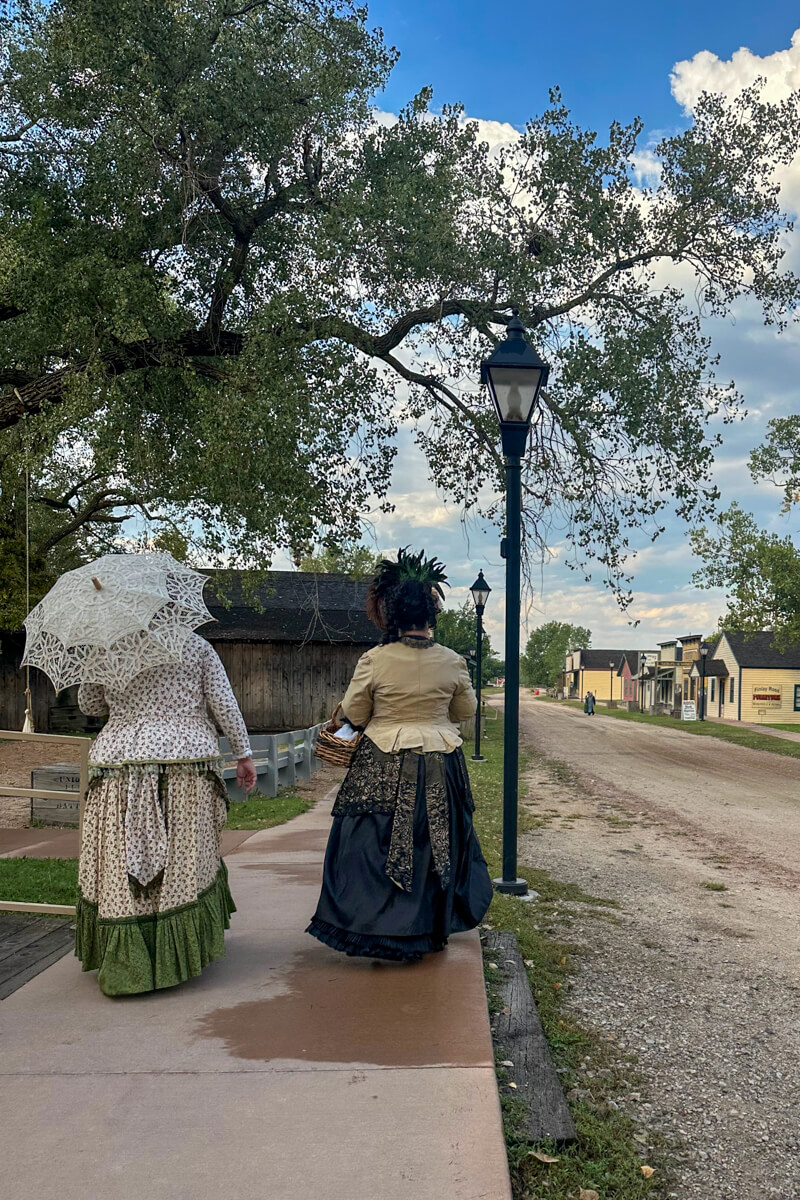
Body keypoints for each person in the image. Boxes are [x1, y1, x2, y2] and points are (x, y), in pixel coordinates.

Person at [306, 549, 493, 962]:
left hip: (382, 758)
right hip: (441, 760)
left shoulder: (375, 660)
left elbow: (355, 713)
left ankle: (378, 926)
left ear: (393, 615)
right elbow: (465, 712)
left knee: (372, 841)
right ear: (430, 615)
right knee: (436, 841)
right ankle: (429, 927)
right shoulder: (453, 661)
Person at [75, 632, 256, 996]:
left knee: (121, 857)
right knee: (181, 858)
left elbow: (90, 704)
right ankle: (174, 956)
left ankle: (127, 961)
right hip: (185, 762)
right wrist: (243, 754)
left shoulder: (106, 644)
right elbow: (222, 701)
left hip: (119, 762)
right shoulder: (195, 645)